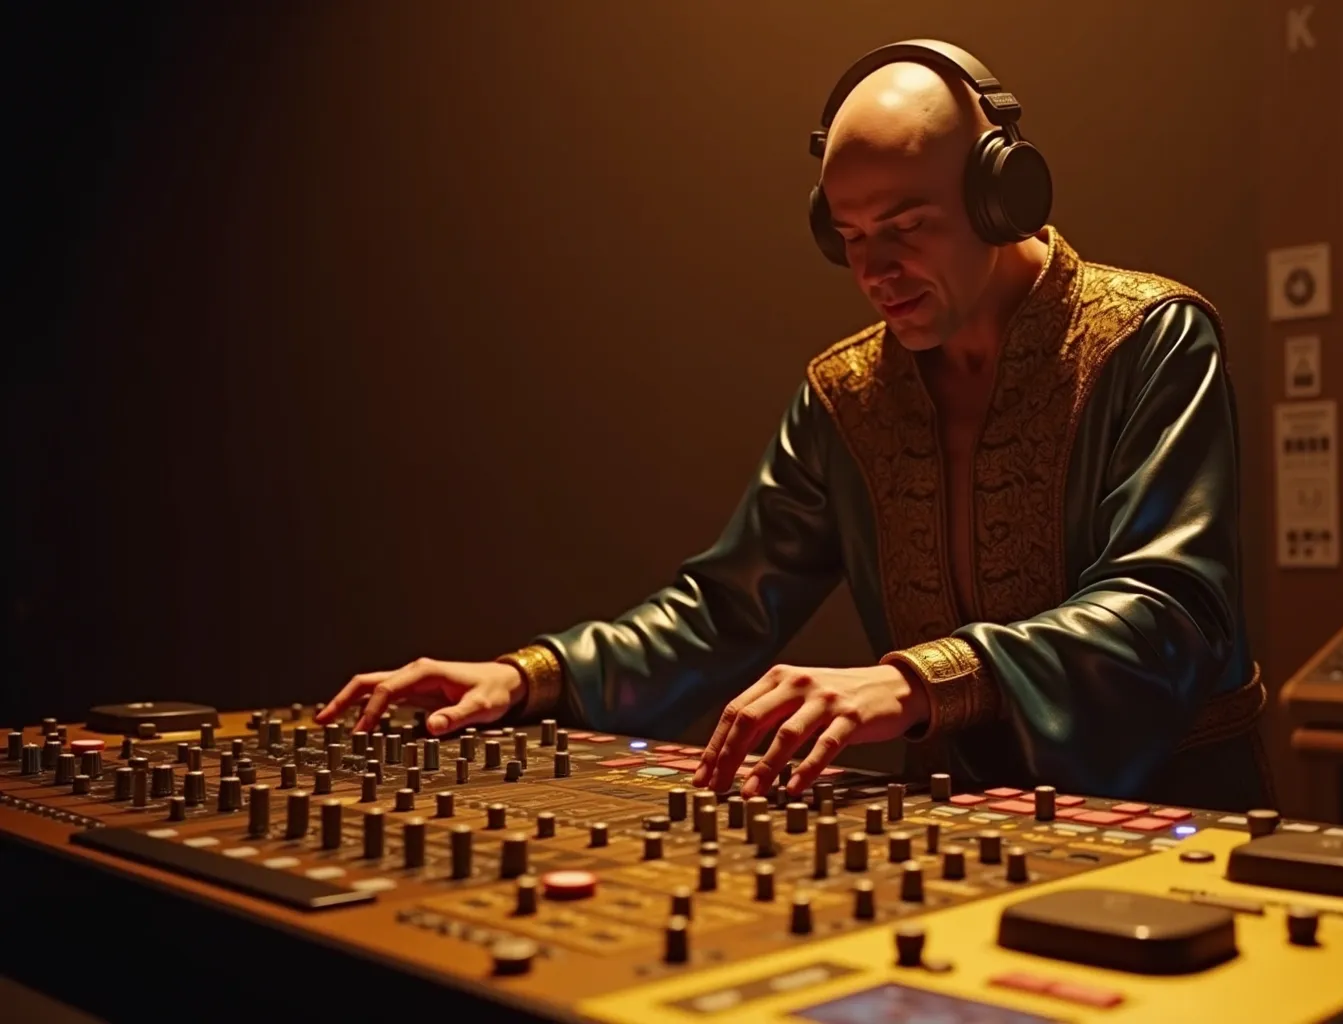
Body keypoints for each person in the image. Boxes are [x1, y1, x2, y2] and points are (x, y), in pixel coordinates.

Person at [317, 40, 1270, 810]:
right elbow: (725, 610)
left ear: (1001, 196)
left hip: (1174, 818)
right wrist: (530, 676)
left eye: (906, 226)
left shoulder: (1150, 336)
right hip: (963, 820)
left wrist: (915, 682)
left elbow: (1170, 613)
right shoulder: (848, 393)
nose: (875, 272)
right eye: (850, 239)